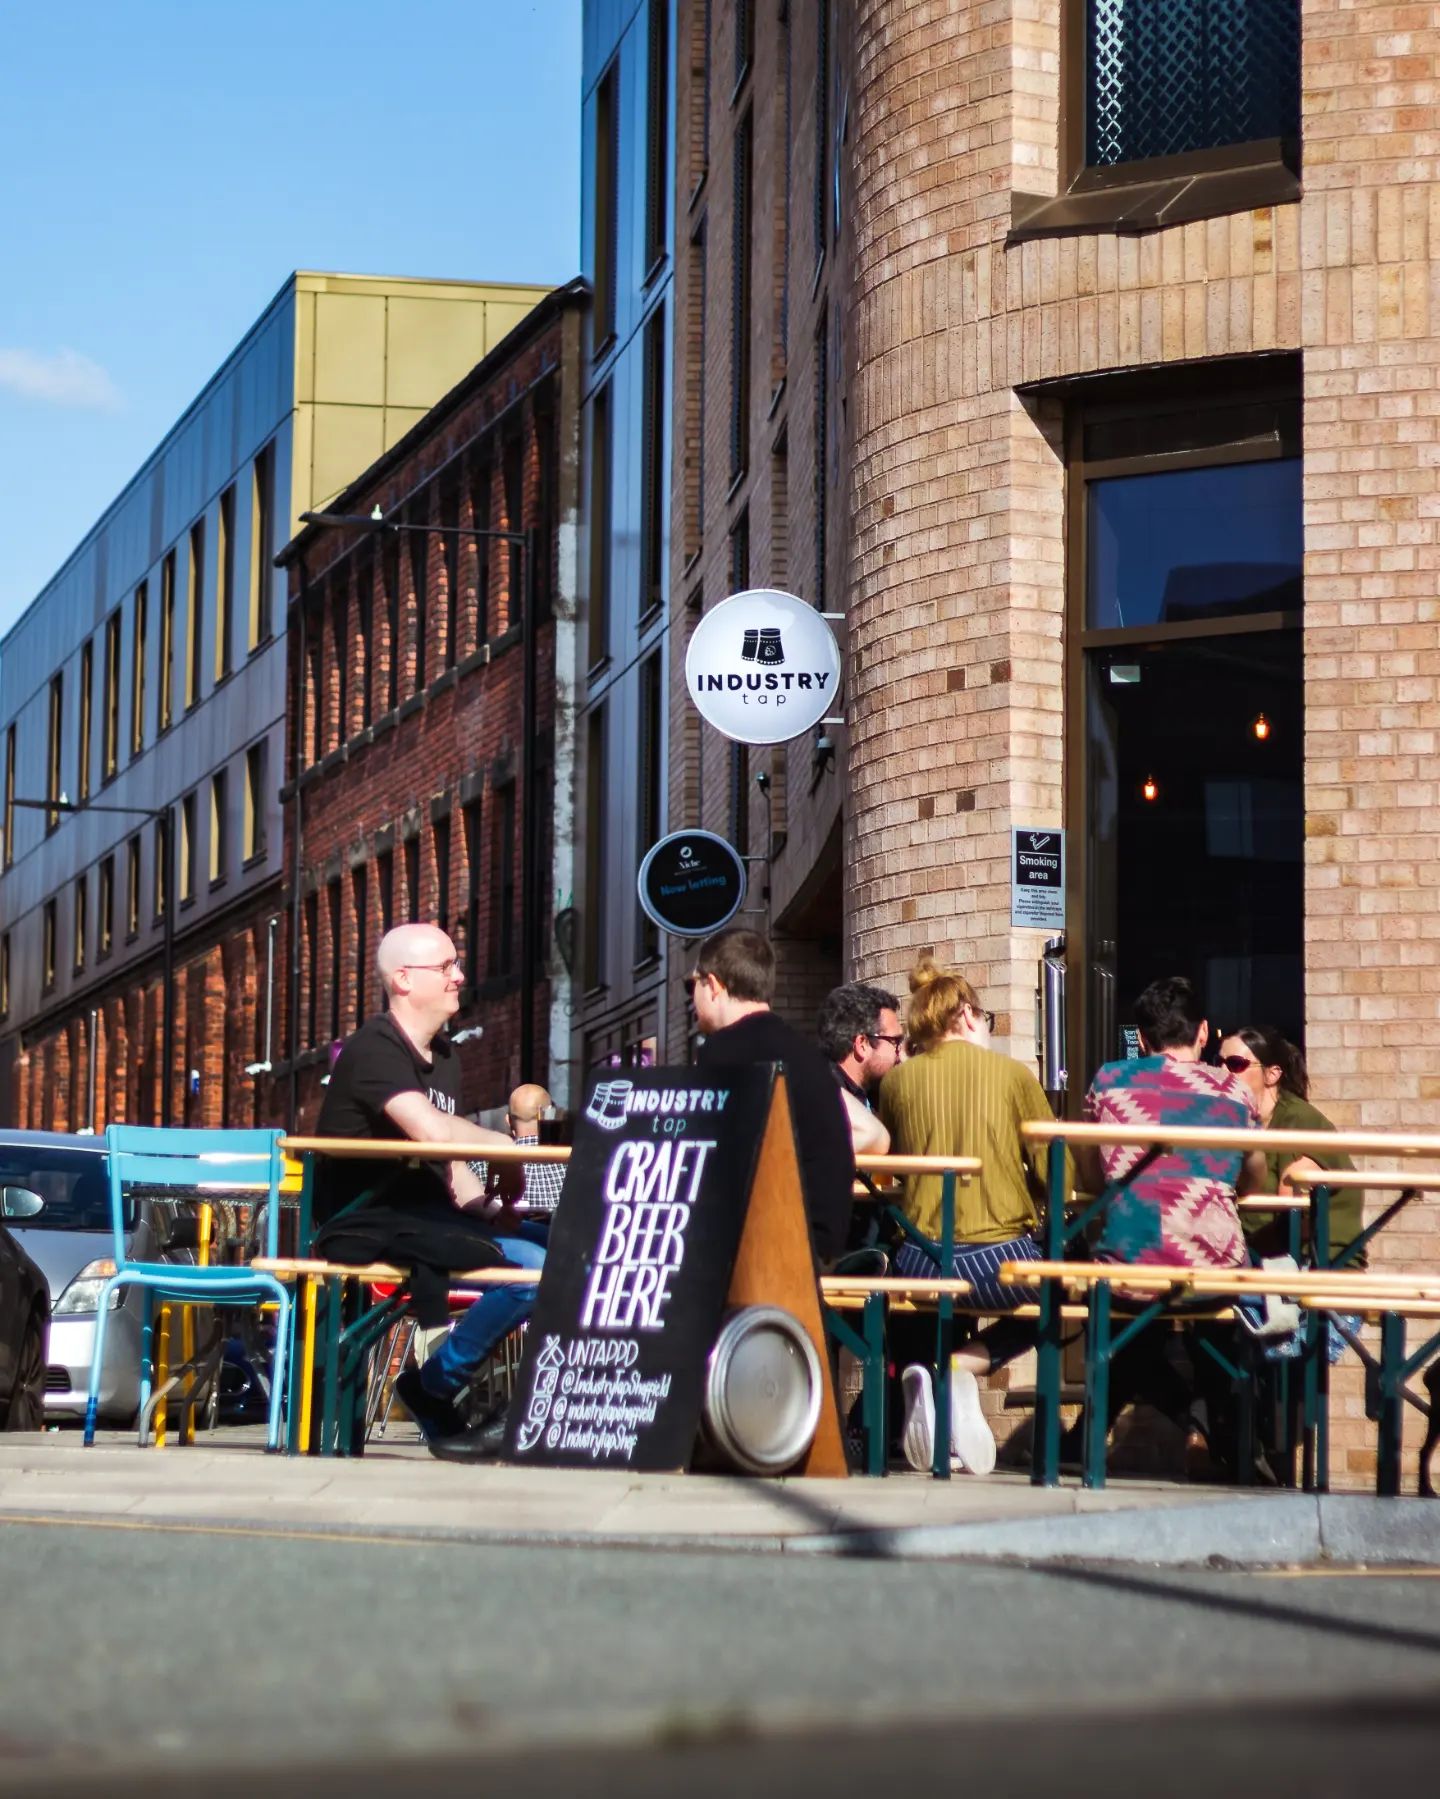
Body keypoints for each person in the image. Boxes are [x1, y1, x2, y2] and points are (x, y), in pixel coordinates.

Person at [312, 921, 539, 1461]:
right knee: (534, 1271)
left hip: (428, 1216)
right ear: (404, 979)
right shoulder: (375, 1049)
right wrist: (504, 1146)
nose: (459, 976)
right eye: (446, 966)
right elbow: (433, 1131)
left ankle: (545, 1403)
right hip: (368, 1221)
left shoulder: (445, 1056)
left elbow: (448, 1161)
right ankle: (433, 1386)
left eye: (456, 964)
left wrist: (485, 1206)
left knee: (573, 1251)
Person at [876, 959, 1061, 1477]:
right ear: (966, 1015)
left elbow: (892, 1168)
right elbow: (1058, 1171)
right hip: (1001, 1262)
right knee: (1065, 1295)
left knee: (935, 1302)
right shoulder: (1013, 1076)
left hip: (921, 1260)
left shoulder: (897, 1083)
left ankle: (930, 1379)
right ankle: (965, 1364)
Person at [1075, 975, 1266, 1471]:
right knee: (1220, 1334)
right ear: (1203, 1032)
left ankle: (1090, 1443)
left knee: (1127, 1335)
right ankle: (1229, 1441)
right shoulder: (1233, 1090)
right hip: (1215, 1271)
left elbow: (1091, 1176)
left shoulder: (1110, 1081)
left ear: (1141, 1038)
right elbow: (1256, 1175)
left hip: (1129, 1264)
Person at [689, 928, 855, 1265]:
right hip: (820, 1244)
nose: (692, 997)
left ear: (714, 985)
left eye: (693, 985)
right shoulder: (805, 1052)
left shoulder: (721, 1054)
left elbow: (703, 1156)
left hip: (770, 1248)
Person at [1217, 1026, 1359, 1262]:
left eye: (1235, 1064)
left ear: (1272, 1074)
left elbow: (1291, 1221)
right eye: (1218, 1062)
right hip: (1254, 1256)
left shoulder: (1300, 1121)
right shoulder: (1230, 1120)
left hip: (1313, 1263)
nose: (1222, 1072)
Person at [817, 981, 904, 1156]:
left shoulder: (873, 1096)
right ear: (862, 1044)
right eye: (895, 1042)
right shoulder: (826, 1104)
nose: (900, 1054)